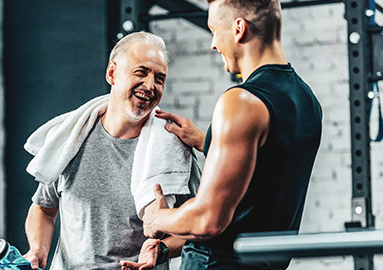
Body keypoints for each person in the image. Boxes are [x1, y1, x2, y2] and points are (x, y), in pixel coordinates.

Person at [139, 0, 323, 269]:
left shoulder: (241, 102)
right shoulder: (308, 101)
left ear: (239, 29)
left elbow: (207, 220)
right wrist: (208, 141)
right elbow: (268, 167)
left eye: (214, 30)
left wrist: (157, 218)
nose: (213, 43)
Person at [22, 31, 200, 270]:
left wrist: (163, 250)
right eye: (141, 72)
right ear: (112, 73)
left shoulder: (174, 147)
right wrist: (37, 248)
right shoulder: (71, 139)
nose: (150, 85)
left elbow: (200, 225)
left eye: (159, 78)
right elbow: (44, 209)